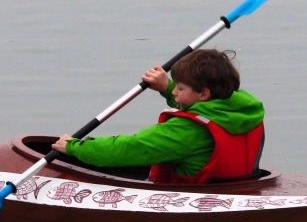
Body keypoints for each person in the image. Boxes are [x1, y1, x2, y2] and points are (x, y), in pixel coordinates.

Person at [51, 49, 265, 184]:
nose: (174, 93)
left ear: (203, 94)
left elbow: (130, 148)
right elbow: (206, 110)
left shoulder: (186, 132)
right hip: (239, 186)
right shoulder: (243, 110)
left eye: (180, 88)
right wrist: (167, 86)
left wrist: (75, 147)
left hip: (195, 197)